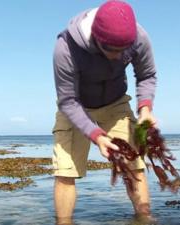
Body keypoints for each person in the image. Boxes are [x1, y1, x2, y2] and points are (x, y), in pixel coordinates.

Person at [52, 0, 157, 223]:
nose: (118, 56)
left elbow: (146, 75)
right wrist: (96, 135)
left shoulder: (139, 37)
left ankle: (144, 219)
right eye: (112, 50)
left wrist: (145, 110)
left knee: (135, 164)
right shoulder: (66, 48)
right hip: (76, 105)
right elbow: (68, 100)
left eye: (123, 51)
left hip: (116, 102)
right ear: (97, 38)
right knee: (65, 171)